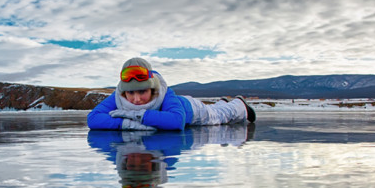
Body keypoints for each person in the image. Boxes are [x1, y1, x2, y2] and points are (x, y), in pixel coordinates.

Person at [87, 57, 256, 131]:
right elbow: (93, 119)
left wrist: (139, 116)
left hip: (192, 111)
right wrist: (126, 124)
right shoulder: (119, 95)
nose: (136, 99)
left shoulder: (165, 93)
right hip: (182, 111)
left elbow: (176, 121)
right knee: (219, 110)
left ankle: (239, 104)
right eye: (130, 93)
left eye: (142, 91)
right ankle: (222, 101)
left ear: (153, 89)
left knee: (220, 116)